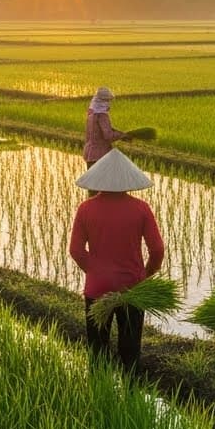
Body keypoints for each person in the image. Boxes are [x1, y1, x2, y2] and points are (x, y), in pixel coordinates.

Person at [69, 149, 165, 371]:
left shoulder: (86, 208)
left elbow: (76, 250)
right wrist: (145, 275)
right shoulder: (141, 209)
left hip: (97, 288)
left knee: (97, 349)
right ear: (127, 181)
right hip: (132, 288)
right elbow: (157, 250)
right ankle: (130, 393)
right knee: (130, 350)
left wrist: (94, 271)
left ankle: (99, 392)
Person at [83, 87, 125, 168]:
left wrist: (120, 133)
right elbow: (108, 135)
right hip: (101, 155)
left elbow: (99, 131)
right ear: (103, 101)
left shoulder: (91, 114)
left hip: (89, 154)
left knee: (92, 180)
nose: (109, 103)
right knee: (102, 180)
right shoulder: (102, 115)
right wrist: (122, 136)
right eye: (108, 101)